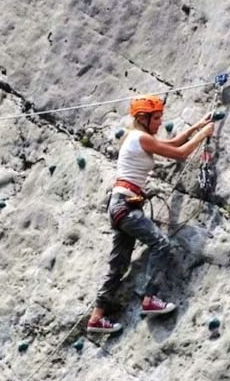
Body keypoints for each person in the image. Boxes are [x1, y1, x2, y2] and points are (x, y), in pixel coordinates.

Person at [87, 95, 215, 333]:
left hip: (120, 205)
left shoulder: (137, 137)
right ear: (143, 119)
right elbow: (180, 153)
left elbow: (174, 143)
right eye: (156, 118)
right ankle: (149, 298)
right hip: (125, 206)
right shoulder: (141, 138)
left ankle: (96, 318)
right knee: (161, 244)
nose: (159, 122)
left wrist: (197, 126)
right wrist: (204, 134)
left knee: (118, 266)